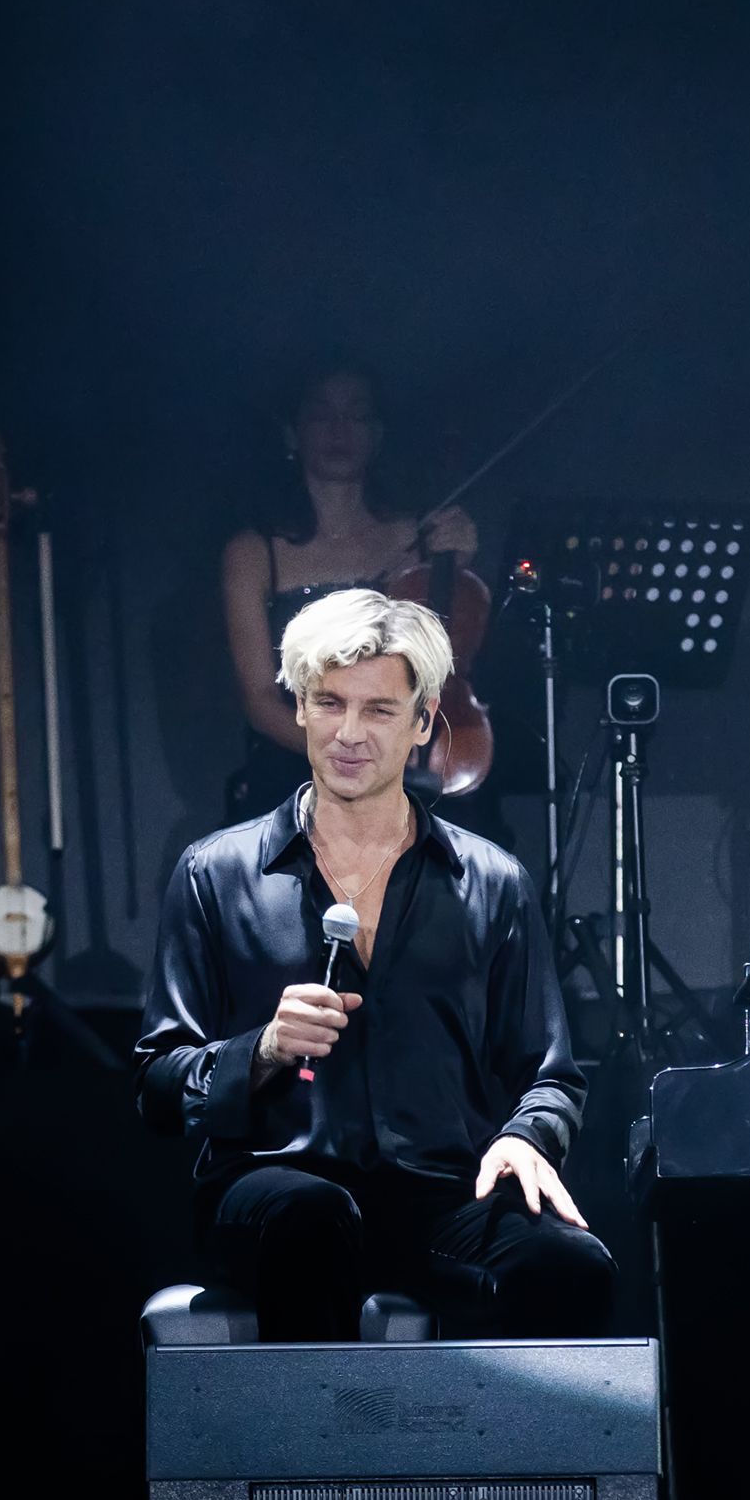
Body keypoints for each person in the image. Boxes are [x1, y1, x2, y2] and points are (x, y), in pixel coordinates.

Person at [139, 587, 611, 1342]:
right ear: (300, 707)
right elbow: (158, 1085)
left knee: (571, 1264)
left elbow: (550, 1074)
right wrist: (260, 1050)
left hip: (438, 1194)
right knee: (312, 1214)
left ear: (423, 721)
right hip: (274, 1188)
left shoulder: (491, 882)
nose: (349, 733)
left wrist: (526, 1136)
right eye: (329, 703)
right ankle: (319, 1428)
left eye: (380, 710)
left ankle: (488, 1431)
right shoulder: (215, 872)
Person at [217, 360, 480, 822]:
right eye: (322, 414)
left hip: (405, 764)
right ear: (293, 433)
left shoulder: (418, 538)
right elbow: (260, 699)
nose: (339, 431)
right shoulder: (253, 552)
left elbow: (446, 668)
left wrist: (457, 567)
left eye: (356, 415)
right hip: (298, 766)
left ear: (377, 435)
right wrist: (347, 753)